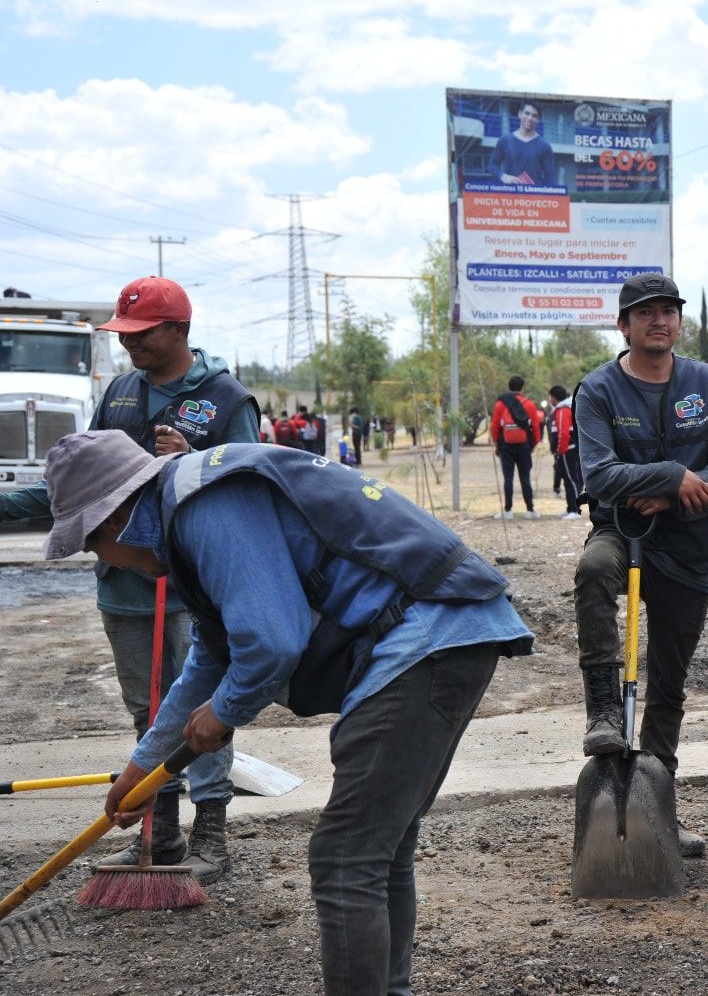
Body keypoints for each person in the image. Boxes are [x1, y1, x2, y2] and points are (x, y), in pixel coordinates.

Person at [45, 430, 530, 996]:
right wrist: (147, 766)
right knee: (377, 847)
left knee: (346, 857)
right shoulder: (189, 511)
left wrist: (225, 713)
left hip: (425, 636)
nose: (103, 560)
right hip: (450, 631)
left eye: (90, 546)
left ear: (114, 520)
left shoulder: (203, 506)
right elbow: (213, 653)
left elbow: (272, 642)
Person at [0, 275, 258, 884]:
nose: (130, 346)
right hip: (125, 586)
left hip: (192, 587)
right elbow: (82, 481)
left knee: (201, 706)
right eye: (124, 335)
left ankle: (213, 838)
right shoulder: (117, 391)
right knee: (149, 713)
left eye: (142, 334)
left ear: (178, 330)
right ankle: (160, 834)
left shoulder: (225, 399)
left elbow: (254, 487)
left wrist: (190, 460)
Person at [572, 272, 708, 857]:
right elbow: (598, 476)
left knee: (669, 684)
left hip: (690, 545)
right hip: (620, 530)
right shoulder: (596, 390)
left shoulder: (706, 383)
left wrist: (671, 496)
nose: (659, 320)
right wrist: (673, 475)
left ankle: (656, 809)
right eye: (645, 312)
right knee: (594, 569)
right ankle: (601, 711)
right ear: (624, 325)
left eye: (669, 311)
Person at [489, 375, 543, 519]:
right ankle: (530, 510)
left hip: (506, 446)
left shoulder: (501, 404)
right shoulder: (529, 404)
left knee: (508, 478)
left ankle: (507, 511)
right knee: (525, 478)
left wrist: (497, 443)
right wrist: (534, 443)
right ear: (522, 388)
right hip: (524, 446)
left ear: (509, 387)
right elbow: (536, 426)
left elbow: (494, 426)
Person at [489, 103, 557, 186]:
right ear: (520, 114)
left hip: (534, 196)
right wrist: (503, 176)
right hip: (509, 195)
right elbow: (492, 165)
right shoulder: (504, 140)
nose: (530, 118)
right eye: (527, 113)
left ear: (538, 119)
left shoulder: (545, 146)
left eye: (534, 116)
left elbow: (551, 178)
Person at [548, 383, 582, 521]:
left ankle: (575, 509)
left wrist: (560, 450)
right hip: (568, 450)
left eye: (551, 397)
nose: (550, 400)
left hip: (568, 451)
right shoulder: (566, 408)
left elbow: (563, 433)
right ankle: (570, 508)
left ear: (555, 398)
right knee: (568, 479)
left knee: (571, 480)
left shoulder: (562, 410)